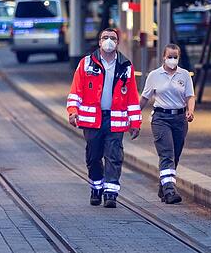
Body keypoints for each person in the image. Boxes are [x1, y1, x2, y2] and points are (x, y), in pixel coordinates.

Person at [66, 28, 142, 208]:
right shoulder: (86, 64)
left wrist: (135, 122)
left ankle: (111, 194)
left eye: (112, 38)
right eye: (105, 38)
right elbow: (76, 91)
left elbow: (132, 97)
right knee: (93, 158)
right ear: (99, 42)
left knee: (114, 157)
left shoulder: (126, 66)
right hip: (92, 121)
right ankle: (96, 188)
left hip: (115, 121)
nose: (109, 41)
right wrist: (72, 111)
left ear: (117, 43)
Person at [139, 44, 194, 204]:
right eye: (169, 56)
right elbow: (144, 98)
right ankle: (170, 190)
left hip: (179, 119)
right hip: (161, 119)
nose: (172, 60)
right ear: (163, 57)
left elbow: (190, 96)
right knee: (167, 154)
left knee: (175, 155)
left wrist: (190, 110)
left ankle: (164, 186)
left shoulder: (184, 75)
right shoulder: (155, 75)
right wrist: (134, 116)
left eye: (175, 57)